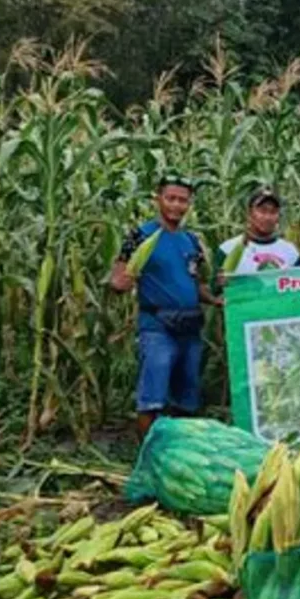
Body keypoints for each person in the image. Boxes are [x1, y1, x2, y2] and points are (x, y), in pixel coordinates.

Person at [110, 174, 222, 442]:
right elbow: (118, 277)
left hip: (190, 326)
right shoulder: (140, 236)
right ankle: (148, 455)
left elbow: (195, 285)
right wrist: (121, 282)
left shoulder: (190, 241)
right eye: (170, 198)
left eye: (183, 200)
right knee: (153, 395)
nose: (176, 205)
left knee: (187, 394)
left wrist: (217, 299)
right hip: (158, 325)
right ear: (157, 199)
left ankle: (179, 450)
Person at [213, 186, 300, 294]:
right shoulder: (227, 249)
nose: (268, 217)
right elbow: (215, 291)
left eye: (273, 212)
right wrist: (219, 284)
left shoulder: (290, 251)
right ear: (250, 214)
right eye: (262, 211)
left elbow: (299, 290)